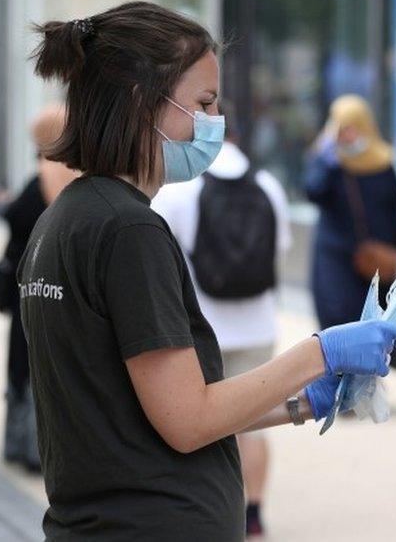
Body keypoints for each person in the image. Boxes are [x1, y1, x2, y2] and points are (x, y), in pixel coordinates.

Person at [22, 2, 396, 540]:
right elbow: (187, 420)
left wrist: (302, 402)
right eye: (202, 103)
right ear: (140, 102)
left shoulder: (66, 219)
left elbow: (154, 410)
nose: (215, 122)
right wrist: (322, 350)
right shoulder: (129, 231)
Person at [152, 117, 291, 537]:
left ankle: (208, 510)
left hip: (199, 331)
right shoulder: (269, 185)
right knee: (253, 421)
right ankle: (253, 514)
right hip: (257, 325)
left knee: (199, 423)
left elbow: (159, 255)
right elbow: (280, 250)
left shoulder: (179, 190)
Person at [0, 104, 80, 473]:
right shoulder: (76, 178)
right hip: (54, 289)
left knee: (23, 367)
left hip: (28, 287)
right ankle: (33, 445)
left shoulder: (45, 176)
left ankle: (24, 444)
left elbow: (20, 220)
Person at [304, 95, 396, 368]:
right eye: (342, 127)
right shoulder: (331, 164)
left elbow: (395, 211)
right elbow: (313, 192)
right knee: (338, 317)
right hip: (336, 257)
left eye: (352, 126)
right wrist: (325, 159)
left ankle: (367, 378)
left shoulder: (383, 163)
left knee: (375, 321)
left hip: (376, 260)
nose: (347, 134)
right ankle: (343, 380)